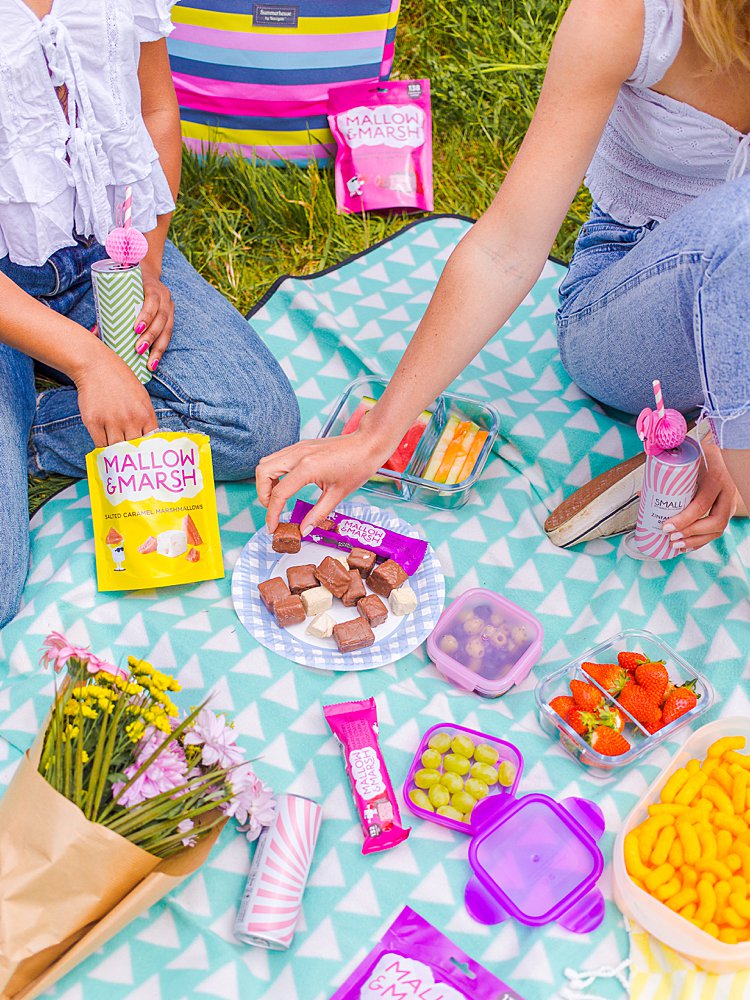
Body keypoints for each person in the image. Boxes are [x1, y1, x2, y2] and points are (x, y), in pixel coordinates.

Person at [257, 0, 750, 552]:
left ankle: (718, 437)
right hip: (632, 317)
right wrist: (378, 436)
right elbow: (507, 249)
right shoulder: (628, 16)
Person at [0, 0, 300, 629]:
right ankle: (34, 391)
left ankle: (29, 434)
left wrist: (149, 263)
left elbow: (156, 110)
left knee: (258, 420)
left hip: (108, 245)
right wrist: (88, 362)